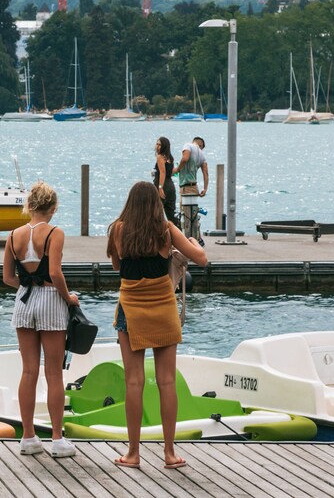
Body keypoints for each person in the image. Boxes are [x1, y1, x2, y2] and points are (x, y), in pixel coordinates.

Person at [106, 181, 208, 470]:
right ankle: (169, 453)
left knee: (134, 382)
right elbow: (201, 258)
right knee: (166, 382)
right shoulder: (166, 230)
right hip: (163, 309)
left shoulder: (117, 230)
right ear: (155, 204)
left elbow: (116, 266)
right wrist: (184, 245)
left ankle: (134, 453)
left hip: (131, 311)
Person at [2, 180, 78, 458]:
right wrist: (68, 297)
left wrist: (28, 285)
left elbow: (8, 278)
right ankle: (57, 439)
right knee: (54, 371)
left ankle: (28, 437)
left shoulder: (13, 235)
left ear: (30, 206)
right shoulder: (55, 233)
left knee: (29, 371)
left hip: (24, 301)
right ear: (53, 207)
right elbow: (55, 273)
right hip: (50, 301)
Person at [174, 136, 208, 241]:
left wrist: (177, 170)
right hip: (195, 187)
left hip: (185, 187)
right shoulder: (202, 155)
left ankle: (187, 240)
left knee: (185, 215)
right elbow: (206, 173)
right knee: (193, 215)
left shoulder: (188, 146)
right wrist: (205, 189)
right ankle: (198, 238)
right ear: (201, 146)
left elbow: (185, 158)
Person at [152, 137, 179, 226]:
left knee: (155, 213)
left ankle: (158, 235)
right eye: (157, 144)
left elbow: (162, 172)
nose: (157, 146)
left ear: (164, 146)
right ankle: (180, 234)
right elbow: (170, 172)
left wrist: (160, 187)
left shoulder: (160, 157)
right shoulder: (169, 158)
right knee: (171, 214)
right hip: (170, 186)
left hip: (162, 185)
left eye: (160, 145)